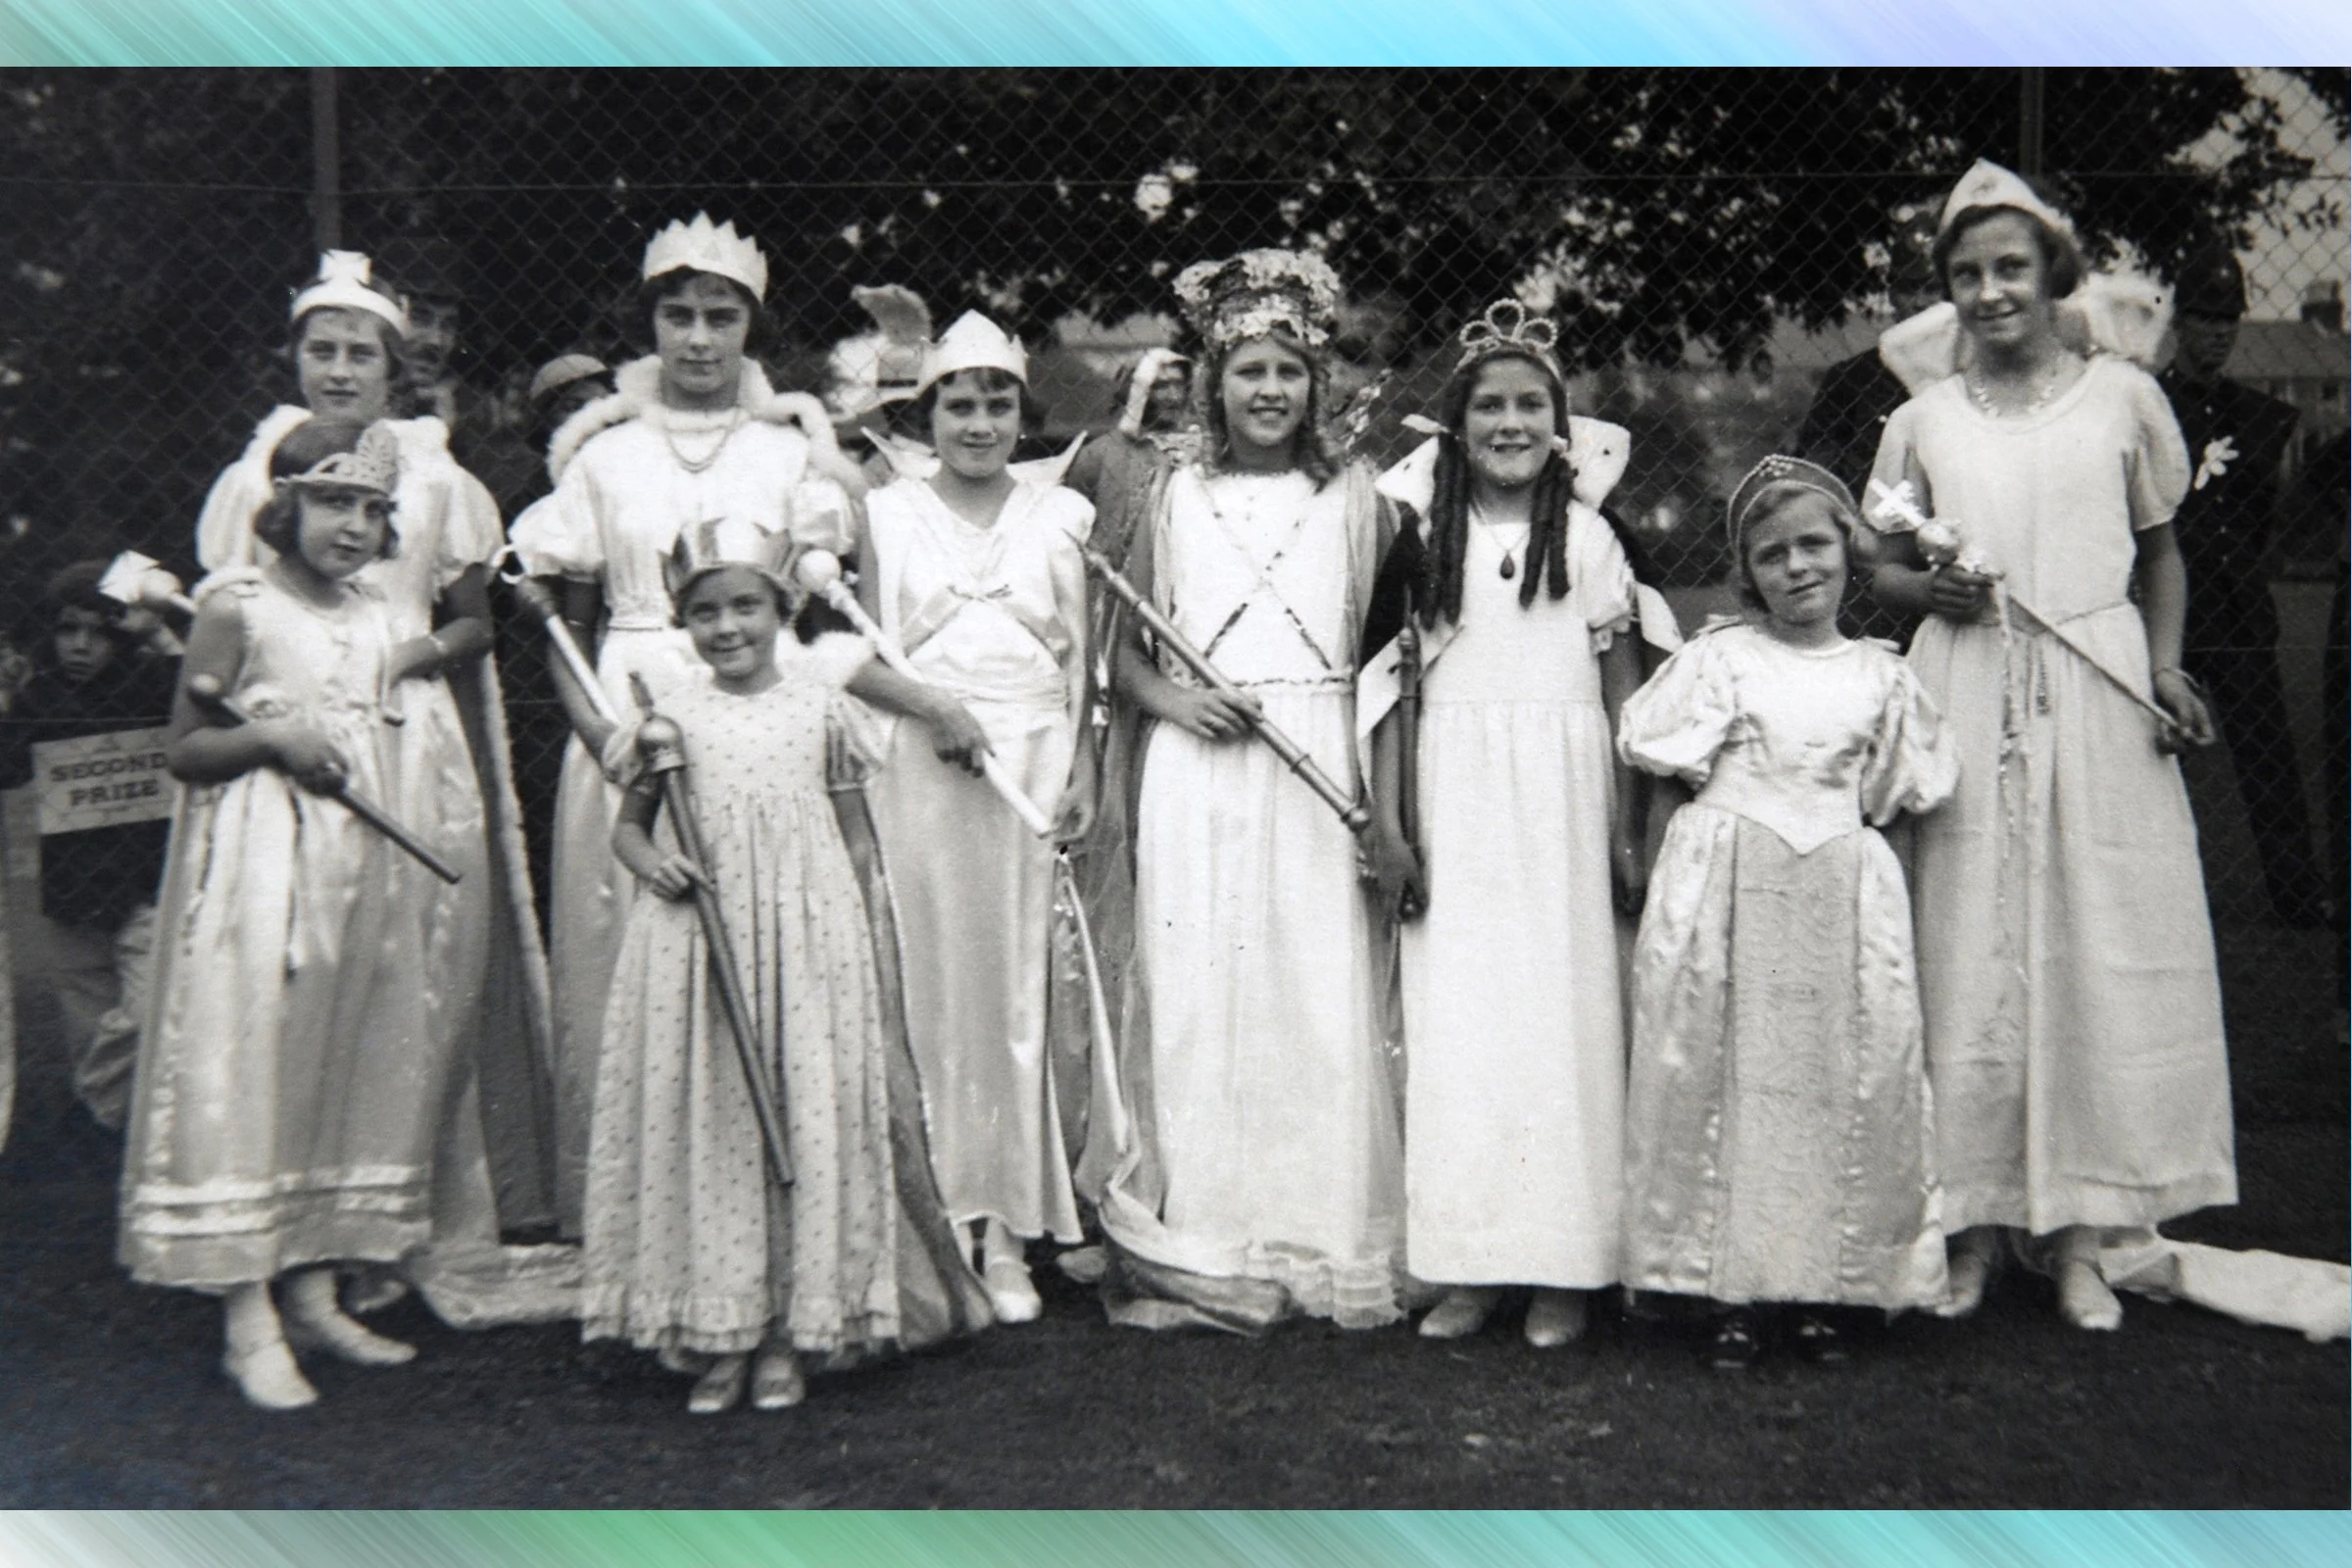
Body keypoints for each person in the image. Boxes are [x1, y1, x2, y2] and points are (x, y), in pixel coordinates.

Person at [1866, 162, 2232, 1332]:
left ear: (2053, 275)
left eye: (2010, 268)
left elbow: (2162, 551)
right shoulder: (1923, 418)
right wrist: (1931, 588)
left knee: (2093, 942)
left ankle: (2082, 1233)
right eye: (1967, 274)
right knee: (1966, 942)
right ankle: (1971, 1229)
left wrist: (2163, 668)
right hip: (1968, 683)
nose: (1989, 292)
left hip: (2097, 681)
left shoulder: (2121, 398)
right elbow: (1878, 558)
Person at [196, 252, 566, 1321]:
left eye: (363, 351)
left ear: (395, 369)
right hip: (297, 744)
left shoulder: (438, 477)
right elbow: (235, 617)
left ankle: (395, 1222)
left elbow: (468, 619)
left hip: (410, 736)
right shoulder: (256, 470)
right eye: (324, 349)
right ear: (297, 358)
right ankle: (274, 1236)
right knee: (298, 973)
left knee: (416, 978)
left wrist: (400, 654)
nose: (341, 368)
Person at [583, 520, 993, 1413]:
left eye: (745, 607)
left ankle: (788, 1333)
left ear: (783, 608)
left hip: (807, 944)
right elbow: (628, 827)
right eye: (704, 613)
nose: (726, 628)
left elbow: (854, 836)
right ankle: (718, 1331)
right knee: (718, 1122)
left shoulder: (821, 705)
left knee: (802, 1121)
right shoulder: (669, 715)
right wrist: (653, 864)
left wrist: (852, 936)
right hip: (699, 942)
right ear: (682, 622)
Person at [510, 213, 866, 1237]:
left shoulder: (787, 451)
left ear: (750, 326)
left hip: (759, 721)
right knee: (631, 947)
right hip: (629, 709)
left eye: (721, 317)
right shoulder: (606, 456)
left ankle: (759, 1197)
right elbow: (561, 627)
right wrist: (604, 739)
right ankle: (632, 1207)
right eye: (679, 315)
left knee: (760, 950)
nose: (699, 339)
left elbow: (812, 611)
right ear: (652, 324)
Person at [1090, 248, 1404, 1333]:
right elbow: (1121, 657)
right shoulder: (1173, 493)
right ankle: (1213, 1230)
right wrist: (1177, 705)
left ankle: (1318, 1224)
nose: (1269, 391)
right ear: (1212, 383)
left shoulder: (1357, 498)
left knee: (1314, 988)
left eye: (1289, 371)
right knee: (1200, 990)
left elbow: (1386, 655)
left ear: (1318, 384)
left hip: (1318, 750)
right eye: (1246, 371)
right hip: (1201, 759)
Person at [120, 418, 442, 1409]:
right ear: (286, 504)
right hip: (260, 866)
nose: (354, 525)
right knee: (253, 1058)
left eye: (374, 509)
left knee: (330, 1062)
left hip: (355, 860)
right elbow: (184, 748)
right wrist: (271, 742)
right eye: (334, 501)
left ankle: (311, 1285)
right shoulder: (236, 605)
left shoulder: (378, 613)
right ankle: (245, 1314)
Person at [1619, 457, 1959, 1367]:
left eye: (1815, 545)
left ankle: (1833, 1285)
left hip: (1837, 888)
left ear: (1850, 552)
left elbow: (1897, 804)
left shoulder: (1882, 678)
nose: (1797, 567)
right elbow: (1663, 777)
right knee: (1727, 1081)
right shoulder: (1721, 658)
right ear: (1747, 571)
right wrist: (1666, 898)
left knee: (1837, 1083)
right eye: (1772, 554)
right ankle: (1725, 1285)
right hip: (1730, 890)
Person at [1353, 300, 1646, 1348]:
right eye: (1491, 406)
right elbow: (1391, 695)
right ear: (1458, 422)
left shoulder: (1597, 541)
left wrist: (1627, 828)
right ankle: (1473, 1262)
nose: (1511, 423)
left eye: (1532, 405)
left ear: (1558, 425)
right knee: (1464, 1028)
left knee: (1565, 1029)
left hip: (1566, 811)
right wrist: (1391, 827)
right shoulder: (1423, 536)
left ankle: (1566, 1265)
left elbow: (1626, 701)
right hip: (1459, 801)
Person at [858, 313, 1097, 1324]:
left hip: (1035, 761)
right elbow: (861, 656)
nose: (981, 420)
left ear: (1022, 415)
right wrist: (936, 709)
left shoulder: (1064, 515)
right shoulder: (884, 513)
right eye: (961, 401)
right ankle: (945, 1215)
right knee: (936, 984)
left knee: (1018, 993)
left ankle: (1010, 1225)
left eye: (1000, 401)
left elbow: (1082, 662)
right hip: (925, 763)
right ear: (930, 414)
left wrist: (1083, 761)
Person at [2157, 243, 2328, 928]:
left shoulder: (2253, 416)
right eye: (2205, 316)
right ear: (2180, 321)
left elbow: (2275, 517)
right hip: (2170, 616)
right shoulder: (2148, 405)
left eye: (2229, 318)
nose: (2220, 331)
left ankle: (2296, 896)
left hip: (2239, 611)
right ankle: (2153, 894)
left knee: (2270, 759)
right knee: (2154, 756)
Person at [0, 561, 182, 1134]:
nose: (80, 646)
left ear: (122, 634)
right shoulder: (39, 696)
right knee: (88, 1027)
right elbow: (6, 770)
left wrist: (159, 633)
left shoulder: (152, 683)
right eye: (67, 630)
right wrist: (7, 704)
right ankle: (116, 1136)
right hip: (72, 893)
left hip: (147, 882)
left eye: (99, 632)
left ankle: (140, 1128)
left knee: (147, 1013)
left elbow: (203, 695)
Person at [1798, 199, 1940, 646]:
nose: (1922, 303)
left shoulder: (1981, 379)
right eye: (1909, 288)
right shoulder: (1854, 379)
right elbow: (1813, 481)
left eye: (1935, 289)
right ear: (1892, 295)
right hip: (1874, 578)